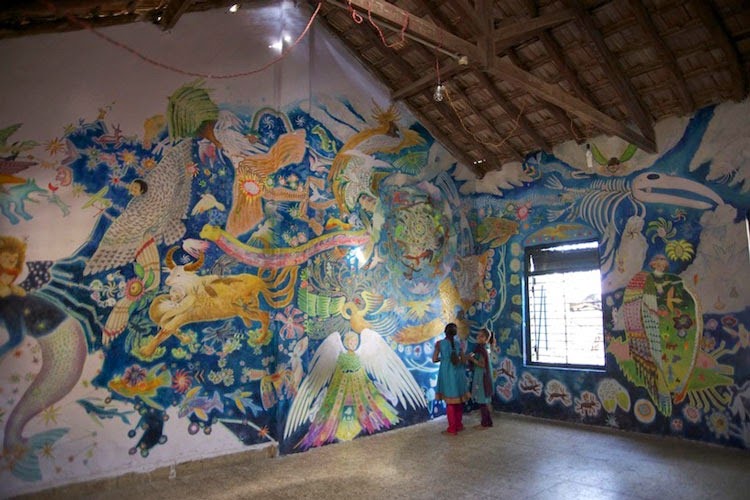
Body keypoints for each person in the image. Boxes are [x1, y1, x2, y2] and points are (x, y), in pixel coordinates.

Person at [432, 322, 470, 435]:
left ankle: (452, 428)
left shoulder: (439, 344)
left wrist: (444, 358)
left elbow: (434, 359)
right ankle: (459, 425)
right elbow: (463, 360)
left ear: (445, 332)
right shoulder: (459, 344)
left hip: (447, 374)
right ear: (455, 333)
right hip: (459, 374)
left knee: (450, 402)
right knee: (458, 401)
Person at [467, 327, 494, 428]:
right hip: (485, 375)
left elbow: (482, 364)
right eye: (478, 335)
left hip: (482, 376)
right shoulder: (487, 347)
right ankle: (488, 421)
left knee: (482, 401)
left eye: (481, 336)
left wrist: (472, 359)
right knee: (485, 401)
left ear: (486, 338)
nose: (478, 337)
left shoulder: (481, 349)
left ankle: (484, 423)